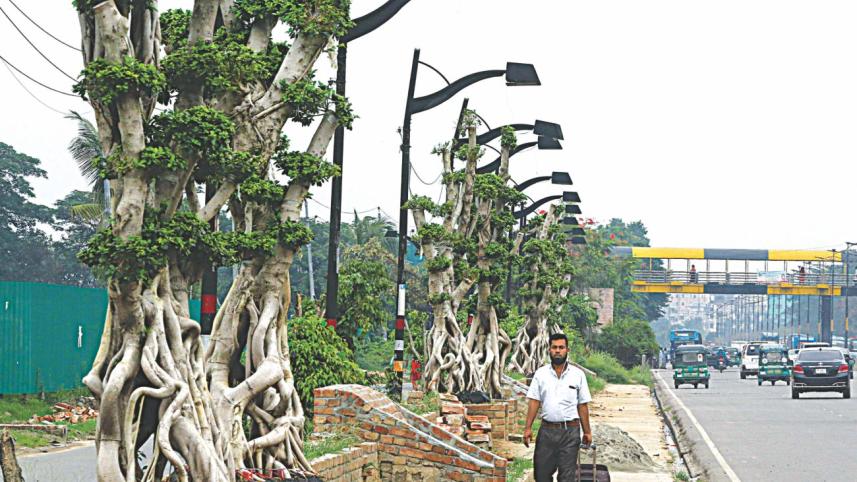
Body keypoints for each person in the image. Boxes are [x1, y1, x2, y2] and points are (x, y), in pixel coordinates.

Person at [523, 333, 593, 482]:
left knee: (566, 477)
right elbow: (534, 401)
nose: (557, 351)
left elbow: (582, 405)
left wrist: (587, 432)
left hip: (570, 432)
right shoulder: (540, 375)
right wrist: (527, 428)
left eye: (561, 347)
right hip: (546, 432)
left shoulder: (578, 375)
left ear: (567, 350)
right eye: (554, 347)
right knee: (541, 475)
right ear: (549, 350)